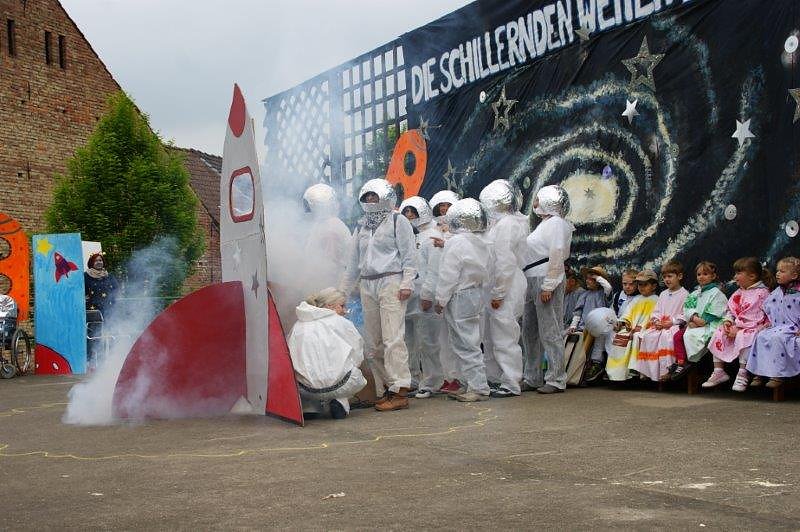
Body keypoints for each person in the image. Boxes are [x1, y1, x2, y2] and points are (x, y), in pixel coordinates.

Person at [340, 178, 417, 412]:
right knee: (373, 342)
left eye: (375, 196)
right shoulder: (361, 226)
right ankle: (384, 389)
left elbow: (410, 255)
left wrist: (407, 283)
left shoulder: (398, 221)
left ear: (385, 198)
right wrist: (341, 294)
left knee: (393, 336)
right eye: (367, 197)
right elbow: (352, 264)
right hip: (367, 284)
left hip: (391, 281)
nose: (371, 200)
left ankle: (400, 389)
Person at [435, 198, 491, 402]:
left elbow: (448, 273)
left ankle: (478, 387)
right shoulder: (482, 240)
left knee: (466, 343)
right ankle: (470, 383)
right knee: (467, 342)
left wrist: (440, 299)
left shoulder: (457, 242)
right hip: (474, 292)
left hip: (460, 295)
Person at [479, 179, 529, 398]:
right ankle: (494, 378)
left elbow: (505, 260)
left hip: (507, 284)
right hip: (496, 284)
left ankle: (510, 381)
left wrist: (499, 292)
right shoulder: (498, 225)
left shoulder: (509, 224)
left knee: (504, 334)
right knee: (490, 336)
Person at [521, 185, 574, 394]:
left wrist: (549, 284)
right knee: (530, 330)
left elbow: (557, 252)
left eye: (537, 199)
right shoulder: (544, 224)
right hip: (531, 277)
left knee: (550, 330)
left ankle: (556, 378)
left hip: (544, 277)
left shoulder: (557, 223)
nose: (534, 204)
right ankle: (532, 376)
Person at [287, 288, 367, 419]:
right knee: (350, 369)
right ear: (329, 306)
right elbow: (358, 353)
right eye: (342, 306)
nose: (345, 311)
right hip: (341, 385)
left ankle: (309, 407)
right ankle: (340, 402)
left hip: (304, 389)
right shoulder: (341, 322)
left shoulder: (298, 325)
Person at [703, 257, 772, 391]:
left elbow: (760, 318)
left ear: (752, 276)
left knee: (745, 336)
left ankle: (743, 373)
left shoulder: (763, 293)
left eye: (738, 273)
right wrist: (728, 322)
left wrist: (739, 329)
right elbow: (730, 311)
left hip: (757, 327)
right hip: (737, 326)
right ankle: (719, 371)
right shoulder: (738, 292)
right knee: (719, 331)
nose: (735, 277)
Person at [399, 196, 445, 398]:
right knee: (409, 341)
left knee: (429, 342)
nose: (409, 216)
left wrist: (428, 294)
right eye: (406, 213)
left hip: (426, 297)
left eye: (412, 212)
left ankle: (432, 380)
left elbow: (434, 270)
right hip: (409, 296)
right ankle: (413, 378)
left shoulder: (432, 236)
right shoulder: (411, 236)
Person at [746, 257, 800, 389]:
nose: (777, 274)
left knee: (777, 338)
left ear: (794, 275)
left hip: (792, 328)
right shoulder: (777, 292)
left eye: (782, 271)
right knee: (761, 335)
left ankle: (777, 375)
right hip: (777, 326)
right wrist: (767, 323)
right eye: (777, 271)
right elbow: (769, 309)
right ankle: (759, 373)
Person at [428, 190, 463, 393]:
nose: (444, 209)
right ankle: (446, 376)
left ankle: (459, 377)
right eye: (441, 206)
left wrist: (446, 242)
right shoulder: (432, 228)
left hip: (458, 288)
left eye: (448, 205)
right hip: (437, 287)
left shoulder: (461, 229)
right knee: (440, 337)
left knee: (457, 336)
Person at [668, 261, 728, 381]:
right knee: (678, 336)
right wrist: (693, 319)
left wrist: (703, 321)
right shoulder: (695, 293)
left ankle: (694, 364)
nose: (701, 277)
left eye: (705, 274)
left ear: (713, 276)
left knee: (694, 336)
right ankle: (681, 363)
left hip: (710, 325)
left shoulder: (717, 293)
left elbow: (717, 310)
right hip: (694, 324)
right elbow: (688, 308)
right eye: (699, 274)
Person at [634, 260, 689, 381]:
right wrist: (656, 320)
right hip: (661, 325)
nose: (667, 280)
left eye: (670, 276)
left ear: (679, 276)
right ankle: (648, 371)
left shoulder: (685, 294)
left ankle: (667, 370)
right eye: (664, 277)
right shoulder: (663, 294)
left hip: (674, 326)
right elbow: (657, 311)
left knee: (666, 338)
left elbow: (686, 314)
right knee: (647, 336)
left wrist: (672, 322)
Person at [605, 270, 659, 381]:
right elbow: (627, 315)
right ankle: (618, 374)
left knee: (636, 336)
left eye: (645, 285)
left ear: (654, 286)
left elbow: (655, 318)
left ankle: (635, 371)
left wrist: (642, 328)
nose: (642, 287)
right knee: (621, 334)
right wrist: (623, 323)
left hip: (646, 330)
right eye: (639, 285)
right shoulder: (636, 299)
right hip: (632, 328)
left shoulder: (657, 300)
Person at [302, 183, 352, 292]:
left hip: (329, 285)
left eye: (308, 205)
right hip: (325, 283)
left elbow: (330, 264)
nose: (307, 210)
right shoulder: (323, 224)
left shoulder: (330, 227)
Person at [567, 266, 612, 384]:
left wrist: (597, 277)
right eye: (587, 278)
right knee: (582, 350)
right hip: (584, 327)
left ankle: (595, 366)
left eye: (591, 279)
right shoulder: (585, 295)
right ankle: (578, 373)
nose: (588, 281)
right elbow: (578, 312)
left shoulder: (603, 293)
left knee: (598, 346)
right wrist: (573, 325)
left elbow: (608, 287)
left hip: (600, 326)